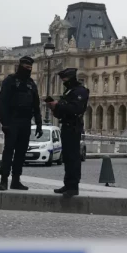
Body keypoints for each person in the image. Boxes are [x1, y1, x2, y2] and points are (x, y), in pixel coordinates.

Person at [0, 56, 42, 191]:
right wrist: (4, 123)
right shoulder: (10, 81)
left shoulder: (31, 84)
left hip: (26, 122)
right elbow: (2, 102)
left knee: (21, 153)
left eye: (30, 68)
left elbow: (36, 105)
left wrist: (39, 124)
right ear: (20, 66)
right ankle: (3, 180)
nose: (28, 69)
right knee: (8, 151)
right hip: (12, 121)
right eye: (26, 67)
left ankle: (16, 180)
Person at [46, 68, 89, 198]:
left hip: (73, 127)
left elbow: (76, 109)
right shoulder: (69, 91)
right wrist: (54, 108)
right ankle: (68, 184)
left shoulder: (80, 91)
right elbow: (62, 112)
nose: (64, 82)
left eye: (65, 79)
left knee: (73, 158)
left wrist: (58, 105)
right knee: (67, 157)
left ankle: (73, 186)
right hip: (66, 126)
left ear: (71, 78)